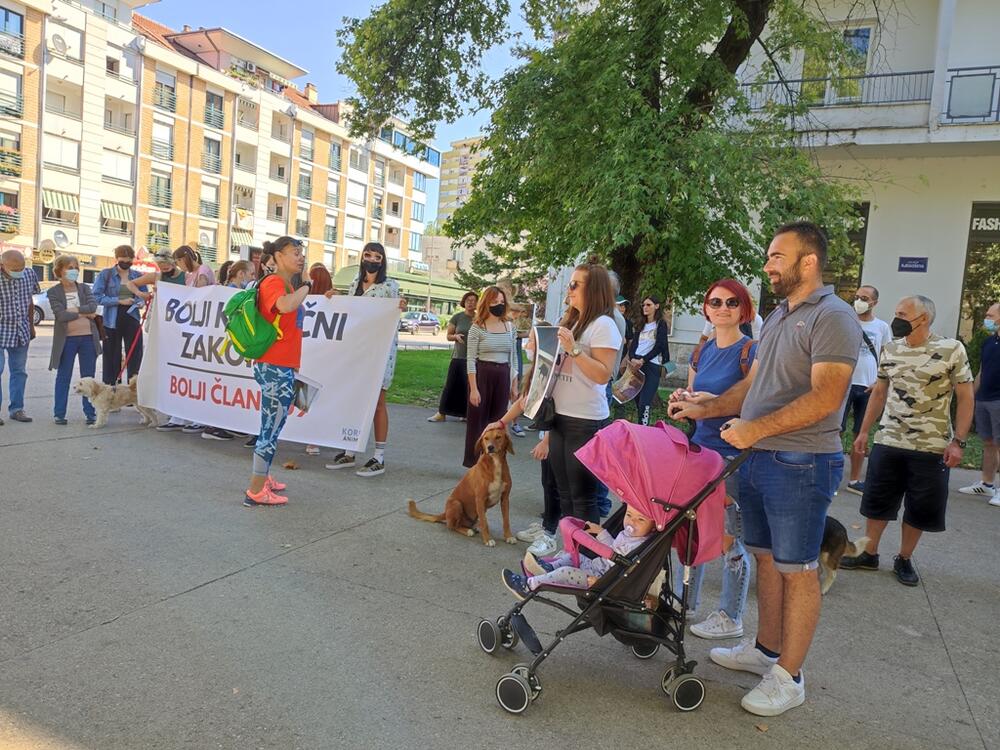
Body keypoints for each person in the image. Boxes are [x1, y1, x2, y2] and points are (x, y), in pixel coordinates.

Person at [671, 221, 861, 717]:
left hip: (801, 461)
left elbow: (827, 397)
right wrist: (704, 408)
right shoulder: (778, 317)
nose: (768, 264)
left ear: (808, 262)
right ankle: (765, 651)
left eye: (778, 256)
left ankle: (790, 676)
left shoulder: (833, 316)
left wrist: (755, 431)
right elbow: (751, 391)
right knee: (767, 561)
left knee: (798, 570)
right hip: (755, 458)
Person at [840, 296, 974, 584]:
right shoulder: (890, 349)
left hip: (931, 444)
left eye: (902, 313)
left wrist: (958, 441)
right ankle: (869, 553)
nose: (896, 317)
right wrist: (864, 431)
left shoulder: (951, 350)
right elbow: (879, 393)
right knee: (877, 500)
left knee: (920, 506)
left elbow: (965, 397)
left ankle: (904, 558)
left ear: (923, 318)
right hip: (889, 440)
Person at [487, 258, 622, 529]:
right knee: (565, 495)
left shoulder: (603, 325)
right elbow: (546, 378)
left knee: (583, 498)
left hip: (584, 422)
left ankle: (586, 561)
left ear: (593, 290)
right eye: (569, 284)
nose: (569, 289)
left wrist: (574, 349)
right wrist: (505, 419)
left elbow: (602, 375)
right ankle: (571, 556)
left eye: (575, 284)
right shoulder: (572, 322)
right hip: (559, 418)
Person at [669, 279, 757, 640]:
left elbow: (753, 402)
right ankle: (684, 601)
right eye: (715, 302)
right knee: (693, 531)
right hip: (700, 449)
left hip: (733, 455)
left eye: (731, 302)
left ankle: (730, 615)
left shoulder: (750, 350)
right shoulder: (701, 351)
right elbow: (693, 400)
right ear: (706, 308)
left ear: (743, 309)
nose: (723, 308)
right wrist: (684, 398)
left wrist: (707, 400)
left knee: (726, 538)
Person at [326, 242, 405, 477]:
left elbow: (395, 315)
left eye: (377, 256)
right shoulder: (354, 285)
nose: (371, 259)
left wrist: (399, 306)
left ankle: (379, 456)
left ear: (383, 261)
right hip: (358, 352)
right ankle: (350, 450)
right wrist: (335, 299)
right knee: (356, 401)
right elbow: (351, 314)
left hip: (380, 353)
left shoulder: (390, 286)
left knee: (379, 402)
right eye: (368, 255)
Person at [243, 237, 310, 507]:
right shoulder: (274, 283)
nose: (301, 257)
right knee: (270, 429)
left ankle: (264, 477)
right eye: (295, 253)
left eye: (301, 253)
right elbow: (284, 306)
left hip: (280, 366)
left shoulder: (282, 284)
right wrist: (306, 285)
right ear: (279, 256)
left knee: (274, 424)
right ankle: (256, 491)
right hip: (274, 366)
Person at [501, 505, 655, 597]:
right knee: (574, 556)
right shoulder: (627, 534)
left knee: (566, 572)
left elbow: (631, 573)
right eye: (628, 515)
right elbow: (614, 549)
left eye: (641, 519)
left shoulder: (641, 546)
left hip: (600, 579)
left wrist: (602, 583)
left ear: (653, 526)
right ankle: (547, 569)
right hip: (596, 566)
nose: (632, 521)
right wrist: (601, 532)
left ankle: (528, 585)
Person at [132, 250, 201, 433]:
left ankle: (185, 414)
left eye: (167, 265)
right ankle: (175, 413)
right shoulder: (157, 276)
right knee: (167, 370)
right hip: (162, 328)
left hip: (182, 329)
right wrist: (141, 294)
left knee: (183, 370)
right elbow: (130, 284)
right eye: (161, 266)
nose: (164, 269)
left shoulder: (186, 277)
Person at [842, 285, 893, 495]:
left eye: (864, 298)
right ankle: (831, 475)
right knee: (836, 430)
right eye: (856, 297)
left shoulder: (882, 327)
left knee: (860, 434)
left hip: (869, 387)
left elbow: (888, 357)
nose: (859, 301)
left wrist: (880, 383)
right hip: (844, 385)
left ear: (874, 303)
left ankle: (854, 480)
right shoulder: (846, 321)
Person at [462, 286, 517, 468]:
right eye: (494, 302)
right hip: (482, 375)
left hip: (503, 375)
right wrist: (474, 389)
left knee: (498, 423)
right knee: (477, 423)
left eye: (501, 302)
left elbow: (514, 357)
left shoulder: (510, 327)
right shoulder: (477, 327)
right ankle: (475, 464)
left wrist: (514, 384)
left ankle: (496, 465)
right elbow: (470, 359)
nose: (498, 305)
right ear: (486, 303)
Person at [47, 255, 102, 425]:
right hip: (67, 341)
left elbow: (93, 307)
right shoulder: (53, 292)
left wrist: (75, 309)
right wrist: (84, 313)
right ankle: (59, 413)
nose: (74, 271)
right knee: (63, 376)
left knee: (88, 378)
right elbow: (61, 315)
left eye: (76, 267)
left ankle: (90, 413)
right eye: (69, 267)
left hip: (88, 339)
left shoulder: (85, 288)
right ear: (59, 270)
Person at [959, 302, 1000, 506]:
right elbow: (982, 373)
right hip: (984, 398)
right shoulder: (988, 342)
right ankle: (987, 483)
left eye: (990, 315)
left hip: (998, 401)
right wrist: (970, 397)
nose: (987, 318)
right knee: (989, 442)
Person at [91, 245, 149, 385]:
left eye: (130, 260)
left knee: (135, 355)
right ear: (116, 259)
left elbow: (144, 294)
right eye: (123, 260)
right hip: (112, 318)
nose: (126, 263)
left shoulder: (137, 275)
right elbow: (96, 297)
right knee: (111, 356)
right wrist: (118, 301)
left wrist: (140, 301)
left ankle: (132, 391)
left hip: (132, 316)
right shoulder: (106, 274)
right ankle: (111, 389)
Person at [0, 249, 40, 424]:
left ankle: (17, 409)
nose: (19, 271)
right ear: (3, 266)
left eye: (21, 267)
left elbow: (30, 301)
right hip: (1, 328)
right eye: (14, 268)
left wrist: (31, 325)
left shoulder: (29, 274)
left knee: (19, 372)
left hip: (21, 330)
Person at [428, 291, 477, 423]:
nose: (471, 303)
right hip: (458, 357)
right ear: (464, 303)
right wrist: (455, 336)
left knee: (468, 387)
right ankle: (441, 413)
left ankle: (465, 414)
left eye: (473, 300)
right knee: (450, 385)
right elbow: (448, 335)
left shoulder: (480, 318)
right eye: (468, 300)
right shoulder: (457, 317)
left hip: (474, 358)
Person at [302, 264, 334, 455]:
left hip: (305, 356)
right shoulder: (334, 303)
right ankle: (315, 440)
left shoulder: (302, 300)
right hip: (325, 358)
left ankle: (305, 436)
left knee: (304, 398)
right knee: (322, 398)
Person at [626, 295, 670, 426]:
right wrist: (633, 357)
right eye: (643, 305)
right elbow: (634, 344)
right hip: (636, 366)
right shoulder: (641, 324)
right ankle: (640, 428)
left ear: (656, 306)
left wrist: (643, 360)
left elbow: (660, 346)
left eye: (649, 305)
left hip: (651, 366)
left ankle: (643, 430)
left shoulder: (660, 324)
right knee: (636, 399)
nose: (645, 307)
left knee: (645, 403)